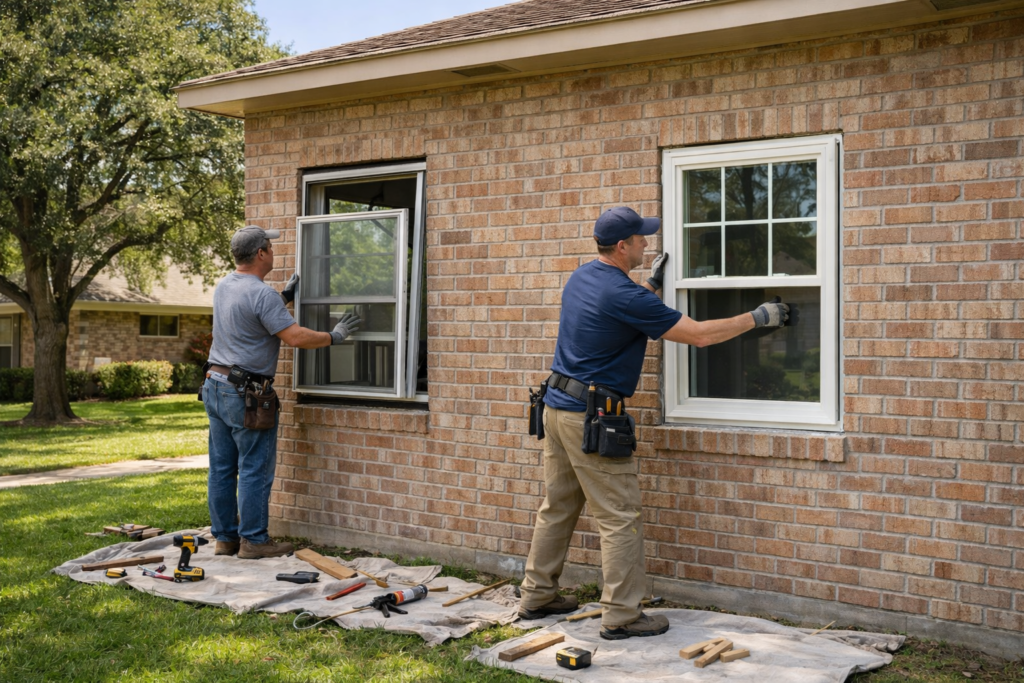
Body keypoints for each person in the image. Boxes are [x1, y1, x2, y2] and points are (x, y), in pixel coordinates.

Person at [518, 206, 789, 640]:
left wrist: (653, 284)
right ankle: (622, 616)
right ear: (623, 246)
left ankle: (536, 594)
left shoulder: (584, 277)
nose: (649, 243)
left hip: (555, 407)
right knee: (620, 517)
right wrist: (758, 318)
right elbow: (699, 335)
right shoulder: (627, 296)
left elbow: (618, 308)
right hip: (590, 418)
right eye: (642, 238)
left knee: (558, 507)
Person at [203, 225, 362, 560]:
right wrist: (335, 336)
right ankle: (255, 542)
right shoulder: (260, 294)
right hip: (244, 394)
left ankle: (225, 540)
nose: (273, 252)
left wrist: (285, 296)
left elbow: (253, 313)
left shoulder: (225, 286)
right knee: (253, 467)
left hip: (215, 386)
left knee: (221, 467)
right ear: (260, 254)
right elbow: (295, 337)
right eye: (270, 248)